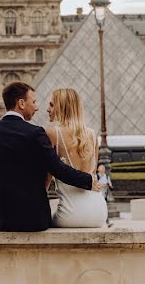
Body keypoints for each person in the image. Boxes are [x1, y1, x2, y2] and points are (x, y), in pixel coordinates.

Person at [0, 82, 100, 232]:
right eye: (33, 102)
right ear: (21, 103)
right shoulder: (35, 134)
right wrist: (88, 180)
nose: (37, 107)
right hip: (31, 219)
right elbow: (57, 168)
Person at [46, 88, 108, 227]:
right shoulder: (92, 134)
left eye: (51, 104)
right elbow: (92, 176)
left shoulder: (52, 133)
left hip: (70, 213)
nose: (47, 109)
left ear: (62, 106)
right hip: (99, 212)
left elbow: (47, 178)